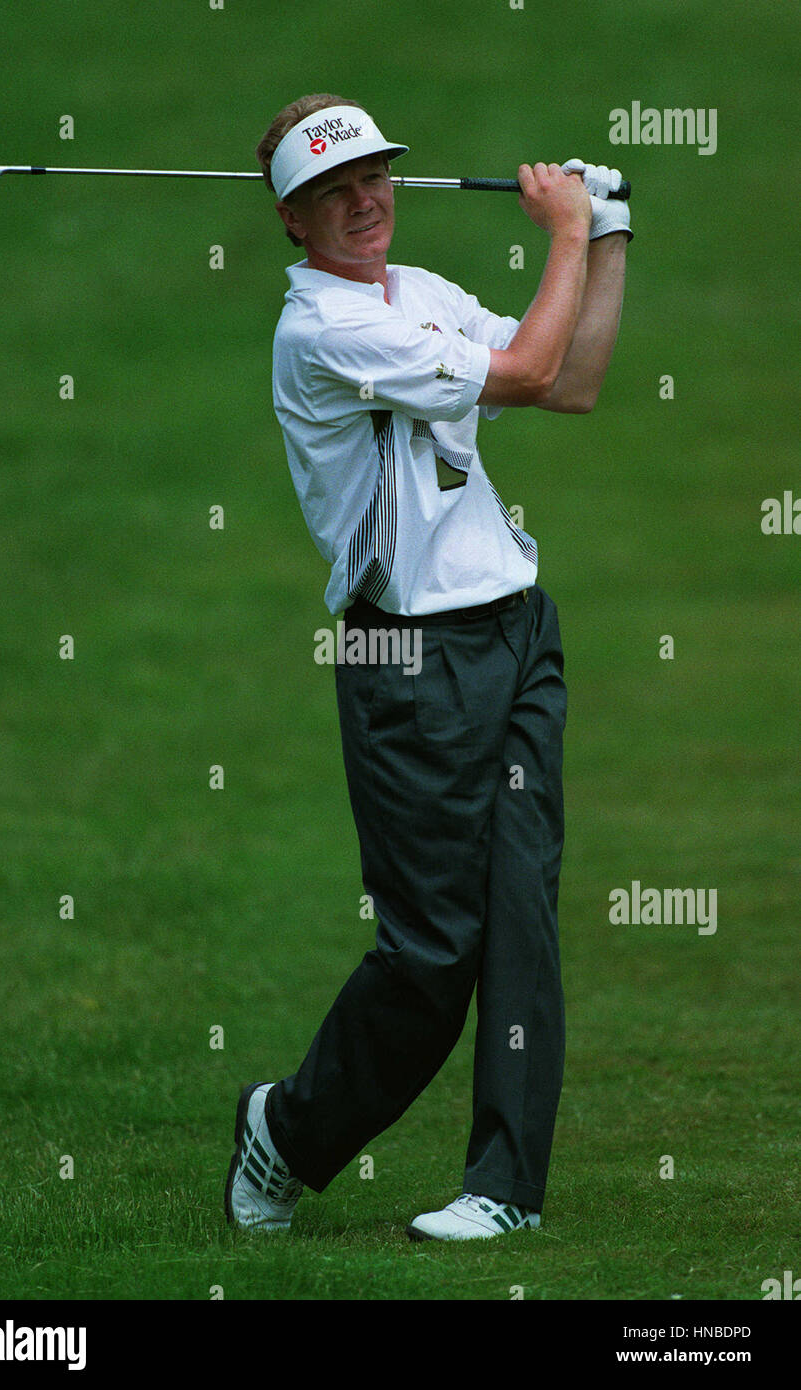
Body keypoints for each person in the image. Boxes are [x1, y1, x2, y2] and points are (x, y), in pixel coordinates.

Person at [225, 94, 631, 1241]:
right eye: (329, 195)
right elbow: (519, 371)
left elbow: (572, 379)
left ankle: (503, 1189)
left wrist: (606, 237)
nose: (363, 203)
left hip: (513, 630)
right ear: (292, 224)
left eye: (374, 178)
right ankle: (287, 1131)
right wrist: (563, 232)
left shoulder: (417, 293)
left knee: (520, 919)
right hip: (408, 658)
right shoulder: (321, 332)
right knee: (431, 952)